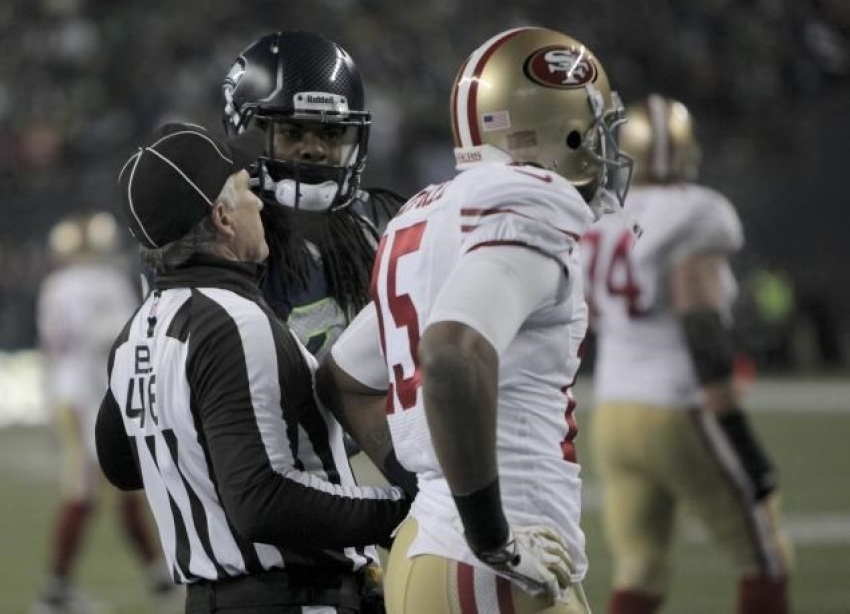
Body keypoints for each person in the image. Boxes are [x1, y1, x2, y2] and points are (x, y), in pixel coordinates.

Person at [316, 26, 633, 614]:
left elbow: (343, 377)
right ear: (557, 130)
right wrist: (491, 535)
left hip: (438, 546)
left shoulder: (430, 213)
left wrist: (432, 485)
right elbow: (452, 353)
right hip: (487, 565)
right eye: (591, 128)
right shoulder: (530, 202)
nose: (602, 145)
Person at [95, 121, 410, 614]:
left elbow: (121, 463)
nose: (259, 203)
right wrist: (402, 510)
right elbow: (261, 501)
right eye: (245, 191)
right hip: (292, 598)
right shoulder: (233, 322)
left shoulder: (137, 330)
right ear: (222, 218)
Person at [579, 94, 793, 614]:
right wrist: (736, 429)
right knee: (765, 556)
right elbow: (700, 320)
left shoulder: (603, 217)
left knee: (640, 567)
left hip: (612, 412)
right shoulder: (695, 211)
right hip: (678, 406)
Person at [221, 30, 405, 361]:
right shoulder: (219, 239)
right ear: (245, 135)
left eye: (331, 132)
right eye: (292, 131)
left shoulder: (376, 224)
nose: (315, 149)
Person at [33, 211, 181, 614]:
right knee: (92, 488)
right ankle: (56, 590)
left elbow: (53, 346)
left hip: (71, 393)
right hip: (94, 393)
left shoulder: (55, 285)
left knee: (117, 486)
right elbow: (124, 335)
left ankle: (155, 575)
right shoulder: (105, 282)